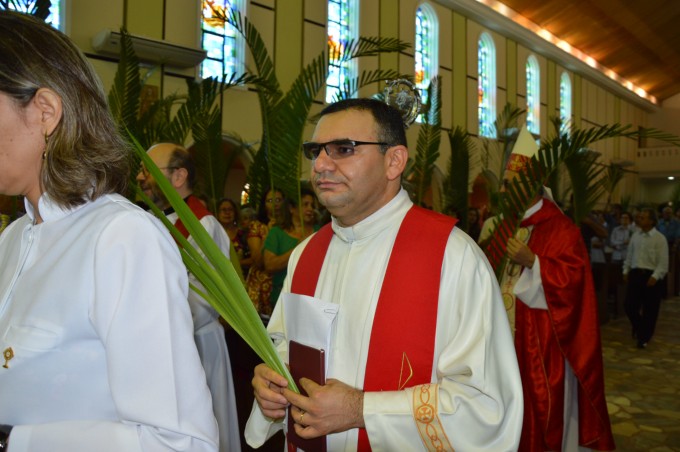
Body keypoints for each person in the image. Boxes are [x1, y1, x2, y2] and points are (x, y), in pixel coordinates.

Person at [245, 98, 523, 450]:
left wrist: (363, 410)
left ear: (394, 161)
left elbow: (486, 406)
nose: (321, 165)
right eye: (315, 151)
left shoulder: (453, 258)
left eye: (343, 149)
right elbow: (284, 348)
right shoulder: (305, 255)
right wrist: (271, 384)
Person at [0, 11, 217, 452]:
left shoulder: (120, 238)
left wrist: (14, 442)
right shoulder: (12, 238)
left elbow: (180, 442)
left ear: (45, 112)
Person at [483, 125, 614, 451]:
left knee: (543, 412)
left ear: (532, 186)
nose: (505, 191)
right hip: (503, 340)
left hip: (543, 343)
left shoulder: (562, 229)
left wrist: (534, 262)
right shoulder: (503, 226)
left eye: (512, 185)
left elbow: (575, 285)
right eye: (505, 184)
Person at [137, 143, 241, 452]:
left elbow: (206, 297)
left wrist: (150, 322)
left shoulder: (203, 225)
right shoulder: (148, 220)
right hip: (153, 346)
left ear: (179, 175)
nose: (140, 177)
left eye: (149, 170)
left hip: (195, 345)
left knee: (200, 431)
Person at [623, 208, 669, 349]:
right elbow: (630, 254)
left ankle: (643, 338)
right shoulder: (636, 236)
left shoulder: (660, 238)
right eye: (639, 217)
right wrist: (626, 270)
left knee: (650, 309)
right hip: (636, 274)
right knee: (629, 306)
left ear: (651, 221)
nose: (639, 219)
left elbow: (663, 262)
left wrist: (656, 276)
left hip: (651, 276)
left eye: (643, 217)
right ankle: (639, 326)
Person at [263, 190, 318, 307]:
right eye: (305, 205)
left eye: (312, 205)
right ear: (291, 208)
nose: (310, 209)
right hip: (283, 299)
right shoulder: (277, 232)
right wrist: (298, 247)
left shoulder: (321, 231)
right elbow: (270, 265)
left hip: (314, 299)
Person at [245, 188, 283, 316]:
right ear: (264, 204)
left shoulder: (291, 226)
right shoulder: (257, 226)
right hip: (262, 284)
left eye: (278, 200)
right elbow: (257, 260)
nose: (275, 204)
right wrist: (269, 234)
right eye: (270, 200)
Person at [217, 197, 252, 273]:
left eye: (230, 210)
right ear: (217, 213)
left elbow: (253, 259)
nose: (227, 213)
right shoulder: (214, 234)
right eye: (223, 210)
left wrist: (236, 264)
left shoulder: (243, 234)